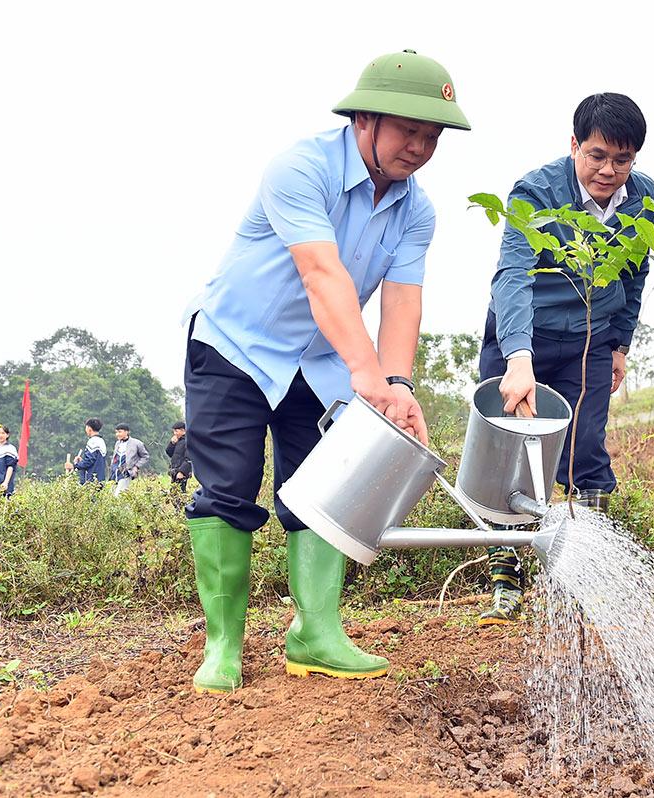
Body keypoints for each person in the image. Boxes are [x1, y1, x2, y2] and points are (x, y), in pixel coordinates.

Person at [181, 49, 470, 692]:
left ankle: (315, 633)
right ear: (364, 119)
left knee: (320, 492)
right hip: (236, 346)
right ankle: (223, 644)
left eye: (433, 136)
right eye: (408, 130)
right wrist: (365, 371)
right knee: (227, 491)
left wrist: (396, 384)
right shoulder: (300, 168)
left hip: (317, 364)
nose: (420, 147)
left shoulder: (416, 211)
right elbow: (322, 273)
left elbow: (402, 298)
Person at [475, 93, 654, 625]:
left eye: (622, 161)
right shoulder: (535, 191)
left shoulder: (642, 197)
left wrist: (619, 343)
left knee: (586, 449)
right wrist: (518, 358)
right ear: (574, 145)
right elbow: (513, 275)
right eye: (597, 156)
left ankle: (584, 578)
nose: (609, 171)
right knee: (512, 453)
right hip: (522, 340)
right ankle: (506, 585)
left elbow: (635, 272)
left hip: (590, 343)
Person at [109, 424, 149, 495]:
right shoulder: (117, 443)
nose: (117, 434)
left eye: (120, 432)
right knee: (112, 495)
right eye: (116, 432)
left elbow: (145, 456)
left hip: (126, 473)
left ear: (126, 432)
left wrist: (136, 466)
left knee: (119, 495)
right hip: (114, 473)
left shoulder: (137, 443)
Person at [68, 418, 108, 485]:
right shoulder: (101, 441)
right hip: (100, 479)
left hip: (92, 480)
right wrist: (82, 461)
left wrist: (75, 465)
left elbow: (89, 461)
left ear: (89, 428)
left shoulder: (93, 441)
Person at [166, 421, 192, 492]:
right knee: (173, 493)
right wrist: (172, 443)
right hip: (174, 471)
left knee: (180, 493)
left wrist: (182, 472)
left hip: (181, 473)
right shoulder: (177, 441)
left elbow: (189, 459)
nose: (175, 433)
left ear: (183, 431)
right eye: (174, 431)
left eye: (176, 431)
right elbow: (169, 453)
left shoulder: (188, 441)